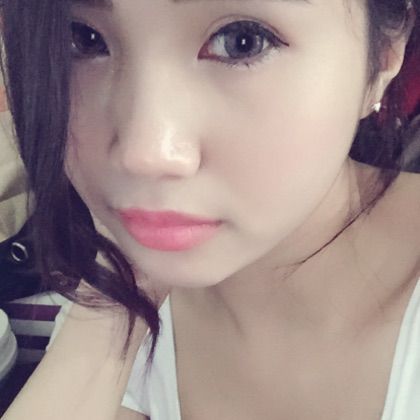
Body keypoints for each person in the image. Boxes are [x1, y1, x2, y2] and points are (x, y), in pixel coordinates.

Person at [1, 0, 420, 419]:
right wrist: (115, 299)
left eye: (242, 41)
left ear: (384, 56)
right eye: (83, 39)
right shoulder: (122, 292)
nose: (144, 154)